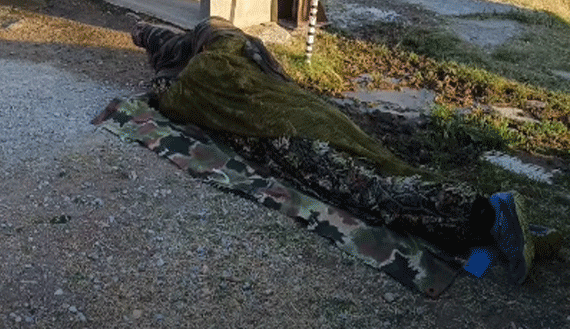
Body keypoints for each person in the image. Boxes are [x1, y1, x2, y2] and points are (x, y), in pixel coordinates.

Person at [130, 17, 537, 284]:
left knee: (368, 191)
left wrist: (157, 57)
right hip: (314, 118)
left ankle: (488, 212)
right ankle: (486, 229)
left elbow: (168, 96)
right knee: (380, 169)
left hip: (289, 138)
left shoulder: (194, 78)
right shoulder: (236, 45)